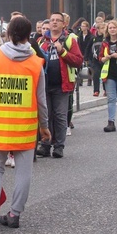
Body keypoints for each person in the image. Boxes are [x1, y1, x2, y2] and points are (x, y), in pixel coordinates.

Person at [0, 16, 50, 230]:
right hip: (25, 127)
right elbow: (41, 100)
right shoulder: (35, 63)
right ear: (28, 36)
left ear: (7, 34)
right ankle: (14, 214)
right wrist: (44, 126)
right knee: (24, 172)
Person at [36, 12, 83, 158]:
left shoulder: (69, 40)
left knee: (60, 116)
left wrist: (62, 51)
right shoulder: (41, 41)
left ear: (64, 24)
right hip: (44, 85)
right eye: (52, 20)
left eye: (58, 20)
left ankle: (59, 147)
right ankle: (45, 145)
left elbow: (78, 61)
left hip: (62, 85)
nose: (54, 23)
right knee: (46, 116)